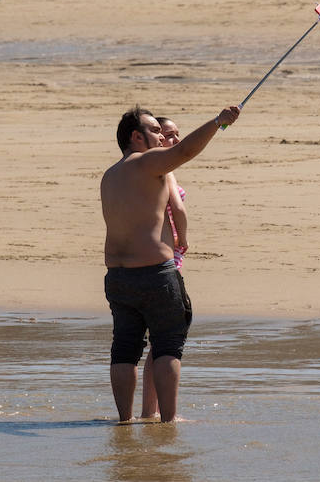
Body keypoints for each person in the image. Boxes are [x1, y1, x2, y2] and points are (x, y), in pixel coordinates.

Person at [102, 104, 240, 423]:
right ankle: (168, 422)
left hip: (118, 278)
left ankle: (125, 422)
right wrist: (218, 122)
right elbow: (187, 150)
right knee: (167, 347)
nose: (162, 136)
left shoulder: (110, 175)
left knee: (124, 349)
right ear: (136, 137)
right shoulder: (148, 163)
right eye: (155, 130)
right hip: (154, 275)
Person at [140, 116, 187, 419]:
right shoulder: (162, 171)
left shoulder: (142, 173)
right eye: (168, 135)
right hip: (167, 259)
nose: (174, 141)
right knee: (163, 343)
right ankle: (156, 414)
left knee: (154, 345)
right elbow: (178, 210)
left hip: (154, 258)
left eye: (176, 135)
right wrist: (184, 240)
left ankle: (148, 411)